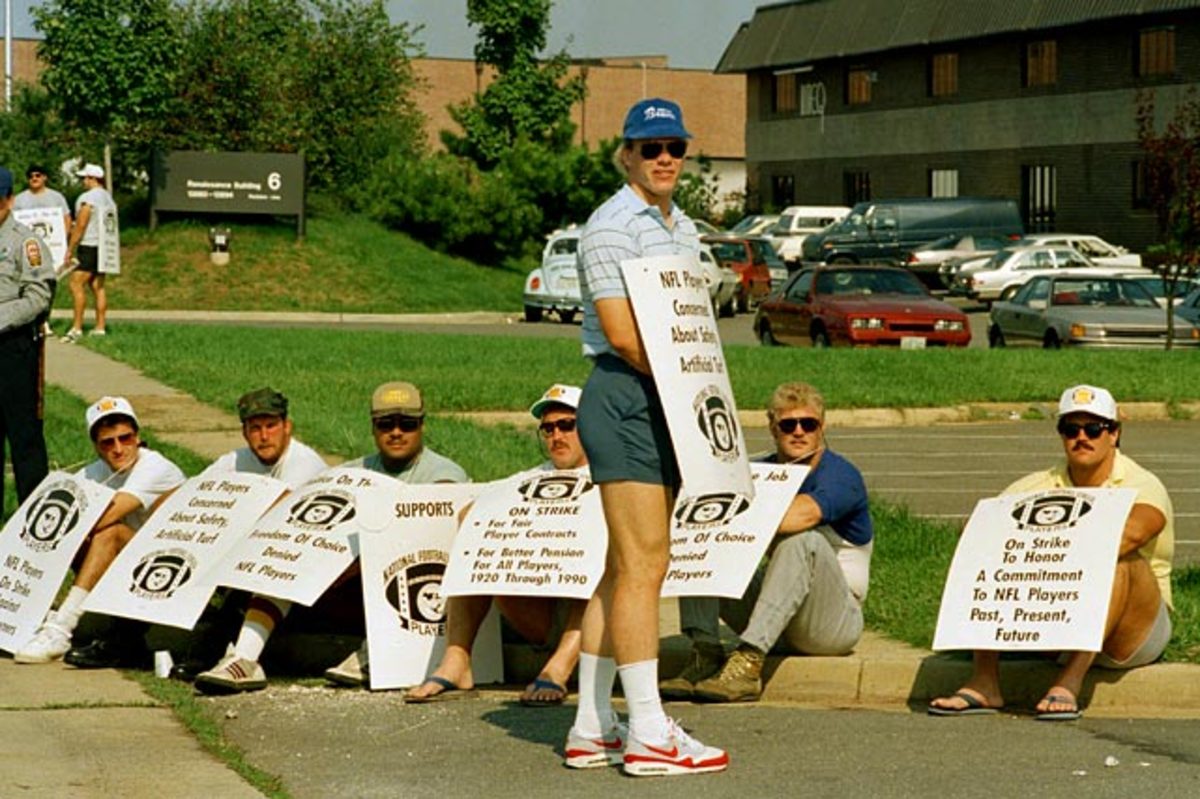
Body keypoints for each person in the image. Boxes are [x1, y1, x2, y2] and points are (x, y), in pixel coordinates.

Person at [566, 97, 727, 777]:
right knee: (644, 566)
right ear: (626, 154)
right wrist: (685, 380)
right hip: (628, 394)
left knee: (621, 566)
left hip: (670, 398)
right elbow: (628, 336)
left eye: (675, 147)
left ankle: (591, 724)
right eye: (649, 147)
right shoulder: (611, 226)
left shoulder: (681, 225)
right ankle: (650, 730)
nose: (664, 158)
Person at [195, 381, 468, 693]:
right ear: (373, 427)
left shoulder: (445, 475)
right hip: (340, 589)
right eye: (385, 424)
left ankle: (376, 654)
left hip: (407, 591)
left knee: (410, 547)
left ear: (421, 425)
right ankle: (244, 658)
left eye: (407, 424)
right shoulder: (352, 471)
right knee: (283, 551)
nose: (396, 432)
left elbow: (423, 542)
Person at [929, 384, 1174, 721]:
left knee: (1120, 559)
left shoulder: (1141, 484)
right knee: (988, 550)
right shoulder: (1037, 486)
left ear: (1114, 434)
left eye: (1094, 428)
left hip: (1133, 631)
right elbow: (978, 532)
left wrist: (1046, 548)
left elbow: (1138, 531)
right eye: (1071, 429)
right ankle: (984, 681)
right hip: (1058, 621)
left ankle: (1070, 682)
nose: (1082, 438)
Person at [661, 382, 873, 703]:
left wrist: (729, 512)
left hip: (831, 623)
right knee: (700, 534)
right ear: (773, 428)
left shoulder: (842, 476)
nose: (799, 432)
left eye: (809, 424)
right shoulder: (761, 470)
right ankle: (705, 652)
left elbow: (800, 516)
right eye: (788, 424)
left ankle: (748, 664)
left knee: (803, 541)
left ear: (822, 427)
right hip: (776, 613)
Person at [404, 384, 589, 705]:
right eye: (547, 428)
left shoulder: (610, 473)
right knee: (475, 532)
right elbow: (471, 512)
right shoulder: (536, 475)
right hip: (537, 606)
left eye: (566, 425)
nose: (556, 436)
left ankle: (560, 668)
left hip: (591, 608)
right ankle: (456, 660)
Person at [169, 387, 329, 681]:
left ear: (287, 427)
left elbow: (277, 514)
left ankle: (221, 654)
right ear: (244, 432)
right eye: (255, 428)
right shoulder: (236, 460)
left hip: (300, 566)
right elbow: (195, 493)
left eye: (271, 426)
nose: (263, 436)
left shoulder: (305, 462)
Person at [14, 396, 185, 665]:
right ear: (96, 447)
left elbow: (107, 515)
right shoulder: (92, 473)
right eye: (108, 442)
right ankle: (19, 613)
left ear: (137, 437)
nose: (119, 449)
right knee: (57, 536)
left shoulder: (154, 467)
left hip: (173, 567)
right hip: (133, 568)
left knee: (109, 532)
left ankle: (61, 628)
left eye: (125, 438)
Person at [0, 165, 55, 519]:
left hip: (13, 349)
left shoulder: (25, 241)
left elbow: (39, 297)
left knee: (24, 439)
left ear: (8, 200)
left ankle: (33, 522)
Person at [62, 163, 114, 342]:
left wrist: (70, 248)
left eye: (85, 177)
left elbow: (82, 223)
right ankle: (100, 326)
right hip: (105, 245)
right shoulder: (108, 198)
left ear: (93, 179)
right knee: (98, 286)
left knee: (76, 284)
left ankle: (77, 327)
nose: (83, 181)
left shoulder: (88, 198)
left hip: (89, 245)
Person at [13, 164, 72, 244]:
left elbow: (67, 218)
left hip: (53, 244)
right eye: (31, 176)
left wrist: (62, 238)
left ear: (44, 177)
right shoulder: (18, 199)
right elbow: (12, 222)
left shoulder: (57, 197)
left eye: (38, 175)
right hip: (27, 244)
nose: (34, 178)